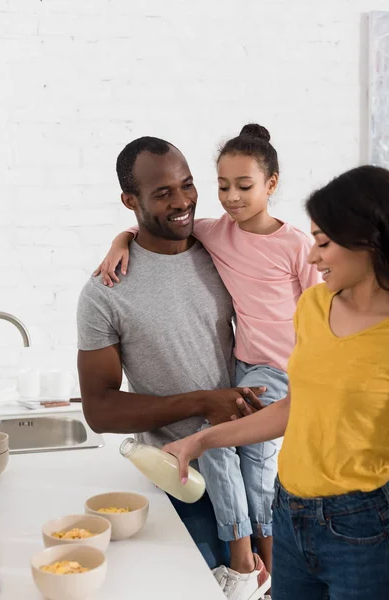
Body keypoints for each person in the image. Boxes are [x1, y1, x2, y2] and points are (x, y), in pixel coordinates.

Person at [93, 124, 320, 599]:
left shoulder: (296, 244)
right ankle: (252, 562)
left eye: (244, 186)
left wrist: (314, 382)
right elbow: (149, 228)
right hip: (243, 367)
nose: (230, 198)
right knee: (219, 448)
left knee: (248, 456)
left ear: (271, 185)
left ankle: (259, 563)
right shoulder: (216, 234)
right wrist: (119, 240)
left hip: (281, 372)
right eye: (223, 186)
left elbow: (323, 309)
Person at [161, 165, 389, 600]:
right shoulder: (314, 306)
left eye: (323, 243)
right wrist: (201, 442)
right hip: (288, 511)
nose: (312, 256)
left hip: (365, 526)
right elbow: (294, 408)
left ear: (369, 241)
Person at [76, 135, 269, 593]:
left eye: (187, 185)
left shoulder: (224, 251)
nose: (182, 201)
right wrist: (204, 403)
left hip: (257, 462)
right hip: (185, 479)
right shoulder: (106, 291)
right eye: (162, 193)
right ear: (130, 200)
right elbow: (99, 410)